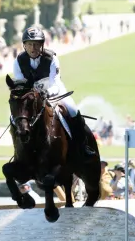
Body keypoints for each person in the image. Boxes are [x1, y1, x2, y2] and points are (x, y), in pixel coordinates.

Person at [12, 25, 94, 157]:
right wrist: (33, 96)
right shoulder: (18, 62)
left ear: (42, 45)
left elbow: (54, 82)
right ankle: (19, 150)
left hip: (54, 91)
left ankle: (82, 145)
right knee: (14, 117)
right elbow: (22, 85)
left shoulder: (51, 58)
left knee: (73, 110)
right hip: (32, 96)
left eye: (37, 44)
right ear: (24, 46)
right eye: (30, 44)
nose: (33, 48)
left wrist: (47, 93)